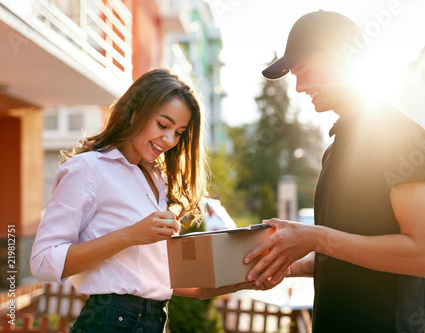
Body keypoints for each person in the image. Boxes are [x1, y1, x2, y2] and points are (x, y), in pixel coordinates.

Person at [244, 11, 425, 333]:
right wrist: (287, 264)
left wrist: (316, 237)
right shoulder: (333, 151)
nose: (298, 87)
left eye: (304, 71)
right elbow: (343, 253)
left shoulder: (400, 135)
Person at [30, 69, 270, 333]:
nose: (170, 140)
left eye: (179, 132)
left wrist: (242, 279)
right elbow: (42, 261)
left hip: (155, 320)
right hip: (110, 322)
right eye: (163, 125)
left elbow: (153, 280)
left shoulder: (156, 180)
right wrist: (131, 235)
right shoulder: (87, 169)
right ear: (135, 112)